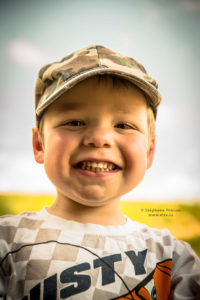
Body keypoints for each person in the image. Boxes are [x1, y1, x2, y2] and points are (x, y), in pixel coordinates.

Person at [0, 45, 199, 300]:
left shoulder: (172, 257)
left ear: (150, 151)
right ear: (40, 144)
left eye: (124, 125)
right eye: (74, 122)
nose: (99, 138)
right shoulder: (8, 242)